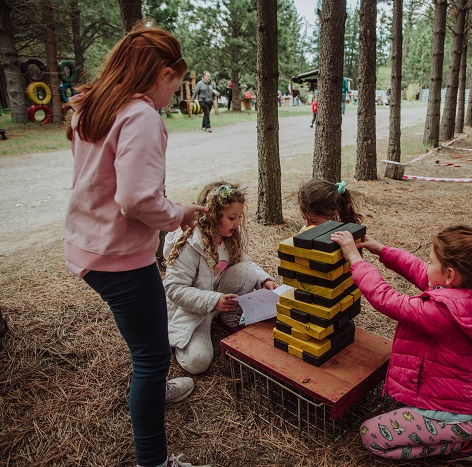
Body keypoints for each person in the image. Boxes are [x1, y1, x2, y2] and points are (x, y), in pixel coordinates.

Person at [64, 26, 210, 467]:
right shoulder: (141, 115)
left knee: (147, 339)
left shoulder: (94, 104)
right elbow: (135, 199)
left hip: (88, 245)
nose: (173, 93)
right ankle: (154, 459)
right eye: (174, 84)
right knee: (152, 352)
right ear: (163, 72)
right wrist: (178, 213)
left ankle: (154, 385)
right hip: (119, 258)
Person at [330, 225, 472, 463]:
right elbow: (419, 270)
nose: (426, 264)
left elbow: (386, 299)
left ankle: (463, 445)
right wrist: (381, 250)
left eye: (431, 261)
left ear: (449, 275)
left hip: (459, 415)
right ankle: (465, 430)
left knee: (371, 436)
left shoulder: (443, 313)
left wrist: (355, 259)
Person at [163, 181, 278, 375]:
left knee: (248, 272)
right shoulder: (190, 244)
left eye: (240, 216)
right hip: (193, 309)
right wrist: (213, 301)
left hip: (219, 297)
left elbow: (244, 262)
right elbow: (174, 288)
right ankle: (191, 334)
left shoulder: (230, 235)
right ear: (214, 216)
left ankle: (228, 317)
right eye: (232, 217)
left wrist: (264, 280)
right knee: (197, 362)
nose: (238, 222)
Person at [297, 179, 363, 228]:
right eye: (304, 218)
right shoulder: (305, 229)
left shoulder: (344, 237)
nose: (307, 225)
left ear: (332, 214)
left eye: (313, 221)